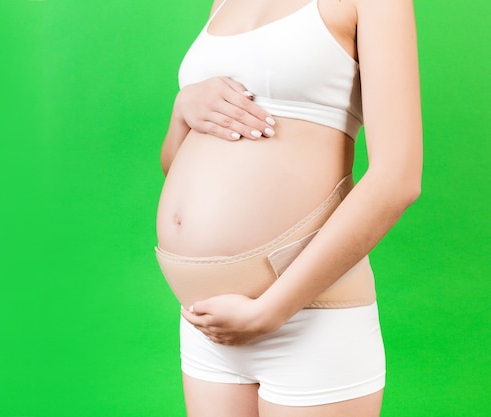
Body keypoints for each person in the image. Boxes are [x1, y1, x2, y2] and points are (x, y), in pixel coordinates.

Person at [155, 0, 422, 415]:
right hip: (207, 325)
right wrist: (181, 111)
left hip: (307, 317)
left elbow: (397, 179)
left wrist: (269, 311)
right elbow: (179, 166)